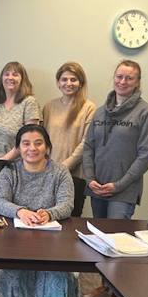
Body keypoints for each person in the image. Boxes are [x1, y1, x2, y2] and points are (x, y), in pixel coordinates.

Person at [81, 59, 148, 297]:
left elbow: (145, 156)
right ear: (113, 78)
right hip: (97, 188)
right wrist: (90, 179)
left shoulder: (145, 113)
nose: (122, 82)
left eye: (129, 78)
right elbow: (88, 147)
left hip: (122, 192)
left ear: (137, 82)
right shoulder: (101, 111)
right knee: (102, 244)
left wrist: (120, 184)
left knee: (119, 247)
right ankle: (106, 284)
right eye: (119, 76)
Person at [0, 124, 83, 297]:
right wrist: (21, 211)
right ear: (19, 148)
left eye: (38, 143)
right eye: (26, 143)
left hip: (52, 244)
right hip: (14, 243)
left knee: (60, 278)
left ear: (47, 147)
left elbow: (66, 204)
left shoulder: (60, 172)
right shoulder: (9, 171)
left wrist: (49, 214)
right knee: (13, 273)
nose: (32, 148)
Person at [42, 62, 96, 217]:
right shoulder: (49, 106)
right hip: (47, 172)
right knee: (47, 217)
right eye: (64, 79)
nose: (68, 83)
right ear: (58, 83)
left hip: (75, 176)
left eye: (73, 79)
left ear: (80, 83)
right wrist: (48, 166)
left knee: (70, 219)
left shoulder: (89, 107)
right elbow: (42, 139)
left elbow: (87, 142)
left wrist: (64, 166)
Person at [0, 61, 41, 161]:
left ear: (22, 80)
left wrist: (4, 159)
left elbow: (30, 139)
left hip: (16, 166)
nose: (10, 78)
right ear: (2, 79)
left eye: (15, 75)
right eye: (7, 74)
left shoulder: (29, 103)